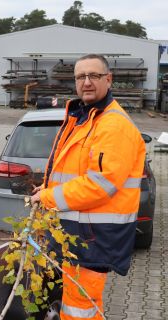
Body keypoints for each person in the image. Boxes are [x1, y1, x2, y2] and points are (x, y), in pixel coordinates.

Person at [31, 54, 145, 320]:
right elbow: (71, 174)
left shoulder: (113, 125)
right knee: (75, 302)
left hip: (94, 237)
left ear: (108, 79)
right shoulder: (85, 117)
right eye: (81, 77)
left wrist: (48, 197)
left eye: (94, 76)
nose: (87, 82)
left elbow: (99, 184)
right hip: (79, 233)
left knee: (80, 308)